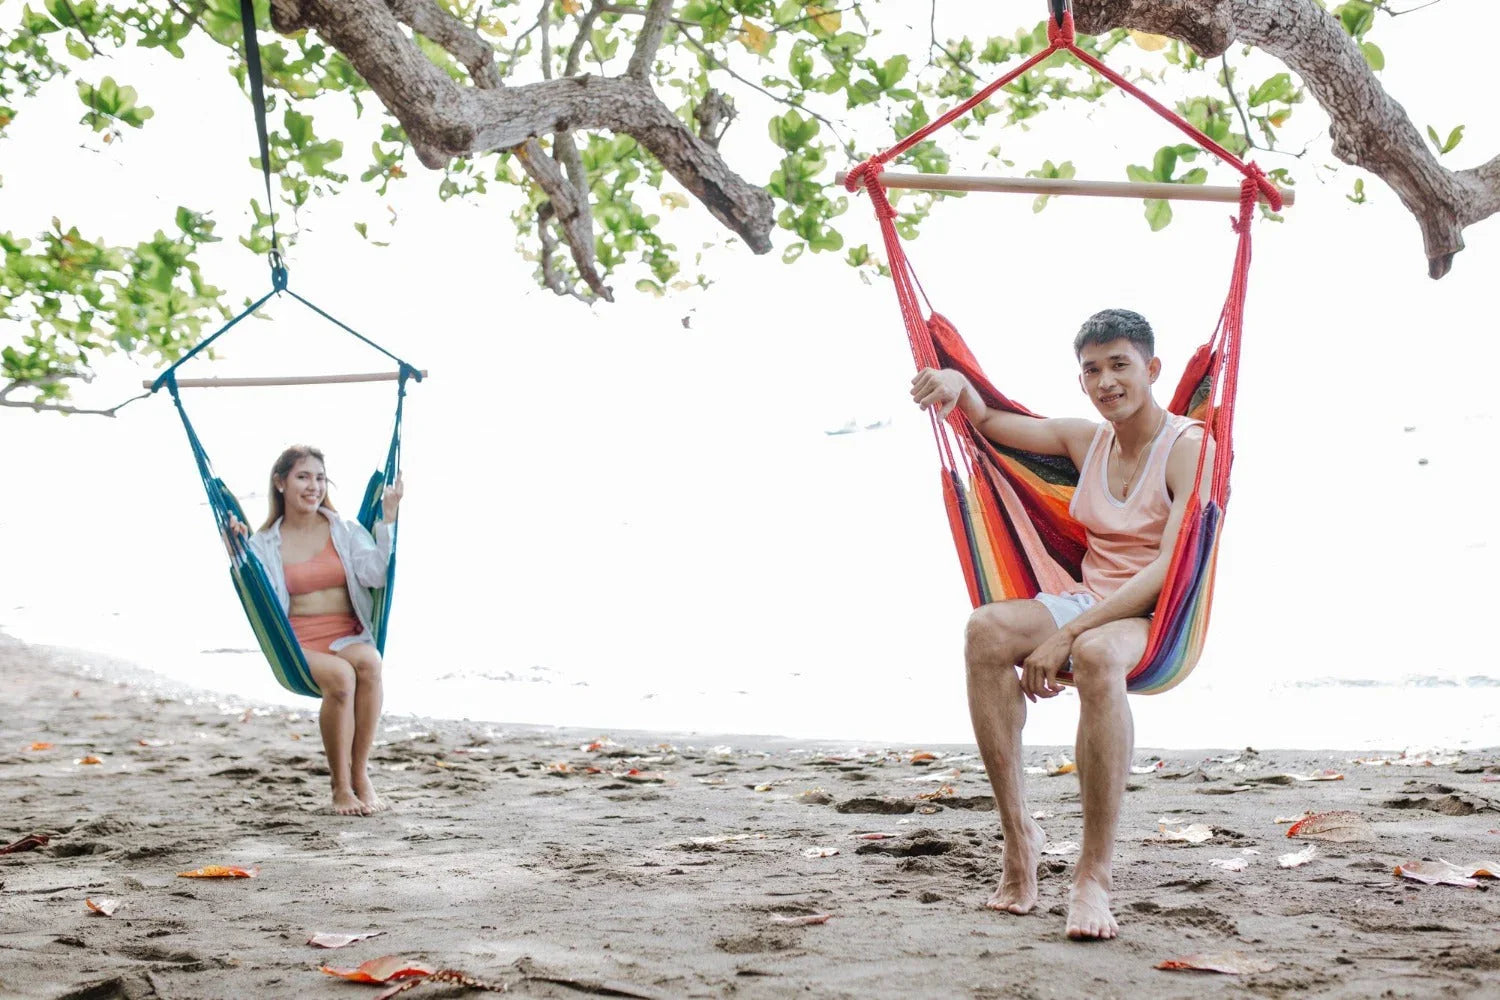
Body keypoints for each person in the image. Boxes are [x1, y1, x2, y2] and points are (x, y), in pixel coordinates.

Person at [910, 308, 1212, 941]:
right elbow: (992, 424)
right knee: (985, 630)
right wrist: (956, 383)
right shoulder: (1086, 439)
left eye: (1120, 365)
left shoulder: (1189, 447)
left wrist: (1067, 636)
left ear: (1153, 369)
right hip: (1090, 601)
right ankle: (1020, 837)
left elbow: (1171, 566)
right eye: (1092, 370)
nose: (1106, 382)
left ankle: (1092, 877)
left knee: (1098, 654)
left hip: (1157, 614)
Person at [229, 445, 404, 816]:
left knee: (370, 663)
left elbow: (375, 575)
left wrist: (388, 518)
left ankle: (360, 775)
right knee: (341, 678)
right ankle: (340, 786)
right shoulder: (265, 543)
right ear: (280, 483)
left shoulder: (344, 530)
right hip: (298, 644)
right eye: (303, 477)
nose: (314, 486)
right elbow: (256, 588)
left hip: (346, 634)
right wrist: (238, 549)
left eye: (320, 478)